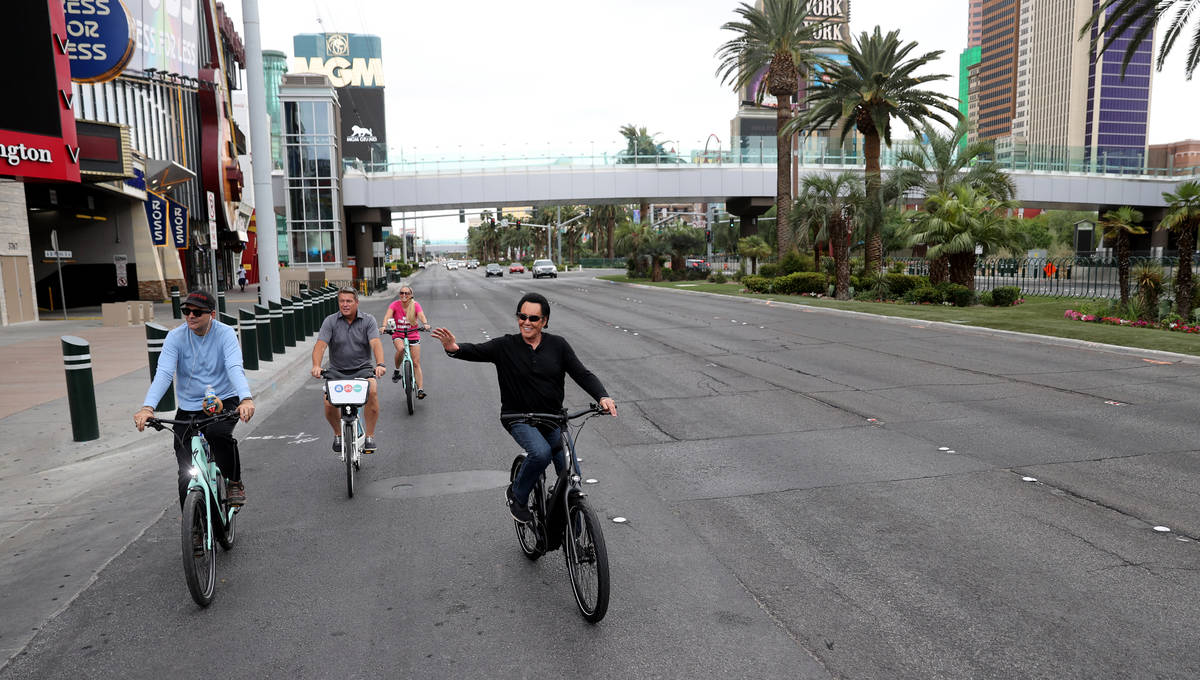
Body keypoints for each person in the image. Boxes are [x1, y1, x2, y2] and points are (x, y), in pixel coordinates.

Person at [431, 292, 616, 523]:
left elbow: (581, 373)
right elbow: (476, 351)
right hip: (518, 417)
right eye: (522, 316)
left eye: (533, 318)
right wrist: (453, 348)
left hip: (551, 419)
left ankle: (576, 539)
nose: (526, 322)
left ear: (544, 321)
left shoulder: (558, 345)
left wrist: (602, 396)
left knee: (572, 474)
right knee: (540, 454)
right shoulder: (505, 345)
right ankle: (517, 495)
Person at [133, 289, 254, 507]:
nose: (190, 316)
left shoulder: (225, 333)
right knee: (185, 473)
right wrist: (147, 407)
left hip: (224, 400)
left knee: (218, 435)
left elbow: (235, 366)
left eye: (197, 312)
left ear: (212, 315)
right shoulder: (175, 337)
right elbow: (164, 374)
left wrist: (245, 398)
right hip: (189, 408)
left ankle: (234, 481)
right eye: (186, 311)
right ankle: (192, 527)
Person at [312, 286, 386, 453]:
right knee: (328, 402)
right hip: (337, 371)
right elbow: (320, 346)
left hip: (362, 369)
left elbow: (375, 343)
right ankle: (338, 434)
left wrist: (380, 364)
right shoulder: (330, 321)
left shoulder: (368, 320)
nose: (345, 304)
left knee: (372, 391)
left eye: (349, 301)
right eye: (342, 301)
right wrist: (316, 366)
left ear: (356, 302)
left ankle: (370, 436)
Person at [381, 285, 430, 399]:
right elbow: (387, 316)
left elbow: (421, 316)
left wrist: (425, 323)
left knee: (416, 363)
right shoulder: (394, 304)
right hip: (398, 334)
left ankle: (420, 389)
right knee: (401, 349)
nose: (404, 295)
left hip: (413, 334)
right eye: (401, 293)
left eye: (406, 293)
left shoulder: (415, 305)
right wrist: (384, 326)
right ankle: (397, 370)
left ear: (411, 295)